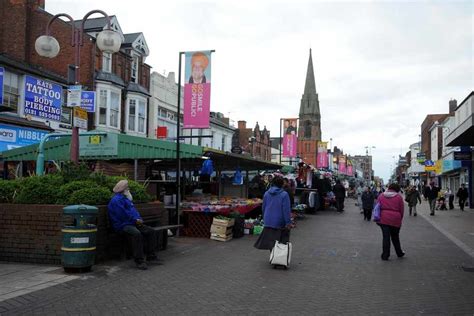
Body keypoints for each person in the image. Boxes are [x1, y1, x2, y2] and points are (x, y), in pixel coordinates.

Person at [108, 180, 160, 270]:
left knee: (151, 231)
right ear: (123, 189)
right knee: (137, 234)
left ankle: (151, 256)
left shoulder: (125, 199)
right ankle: (139, 261)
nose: (129, 189)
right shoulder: (116, 200)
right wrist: (136, 220)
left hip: (132, 223)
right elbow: (122, 215)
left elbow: (133, 212)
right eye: (127, 187)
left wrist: (139, 220)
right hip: (122, 225)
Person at [254, 177, 292, 251]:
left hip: (268, 219)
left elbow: (263, 207)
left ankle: (272, 255)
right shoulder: (284, 194)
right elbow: (286, 210)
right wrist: (288, 222)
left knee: (271, 240)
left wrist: (264, 217)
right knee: (279, 241)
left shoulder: (266, 193)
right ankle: (277, 257)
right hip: (279, 220)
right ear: (282, 185)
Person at [377, 183, 405, 261]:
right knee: (395, 237)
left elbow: (377, 207)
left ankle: (385, 255)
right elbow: (401, 210)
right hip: (395, 219)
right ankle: (399, 253)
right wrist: (400, 218)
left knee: (386, 237)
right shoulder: (399, 197)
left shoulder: (381, 195)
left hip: (384, 219)